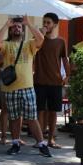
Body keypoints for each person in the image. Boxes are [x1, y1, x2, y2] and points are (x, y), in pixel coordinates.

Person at [0, 16, 52, 157]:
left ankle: (42, 144)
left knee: (32, 117)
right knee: (14, 117)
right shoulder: (7, 45)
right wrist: (6, 24)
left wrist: (29, 23)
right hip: (10, 87)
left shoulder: (29, 44)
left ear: (23, 30)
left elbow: (41, 39)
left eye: (19, 27)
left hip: (27, 87)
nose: (16, 29)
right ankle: (15, 143)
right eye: (14, 27)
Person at [34, 13, 70, 149]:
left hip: (55, 81)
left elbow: (64, 59)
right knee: (40, 110)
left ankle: (51, 139)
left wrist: (67, 75)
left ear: (55, 24)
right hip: (39, 80)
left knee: (53, 111)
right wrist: (40, 34)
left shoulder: (61, 41)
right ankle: (40, 139)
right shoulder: (38, 39)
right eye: (44, 22)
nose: (45, 25)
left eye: (48, 22)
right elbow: (33, 48)